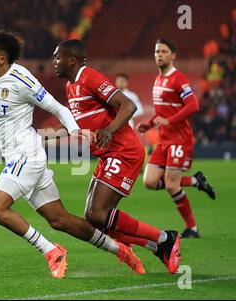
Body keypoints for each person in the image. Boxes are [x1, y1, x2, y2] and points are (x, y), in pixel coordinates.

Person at [0, 30, 145, 278]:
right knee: (61, 220)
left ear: (1, 59)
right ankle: (120, 250)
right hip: (19, 159)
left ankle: (51, 250)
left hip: (26, 156)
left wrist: (75, 130)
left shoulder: (21, 79)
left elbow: (56, 106)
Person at [52, 39, 181, 274]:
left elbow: (128, 105)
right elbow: (81, 125)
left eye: (57, 57)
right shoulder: (71, 87)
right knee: (95, 219)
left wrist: (109, 131)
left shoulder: (89, 77)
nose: (54, 62)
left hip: (124, 151)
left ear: (71, 60)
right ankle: (156, 245)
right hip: (109, 155)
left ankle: (165, 238)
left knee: (98, 213)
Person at [137, 38, 216, 239]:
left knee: (172, 185)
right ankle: (196, 181)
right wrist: (150, 123)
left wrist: (170, 121)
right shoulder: (158, 80)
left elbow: (193, 105)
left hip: (179, 139)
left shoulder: (178, 79)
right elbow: (162, 112)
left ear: (173, 55)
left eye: (163, 51)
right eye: (156, 52)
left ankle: (193, 228)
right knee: (150, 181)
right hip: (164, 139)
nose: (159, 55)